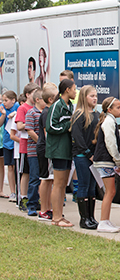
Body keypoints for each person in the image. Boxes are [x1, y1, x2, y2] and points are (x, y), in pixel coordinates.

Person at [46, 79, 76, 227]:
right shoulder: (56, 106)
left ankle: (60, 215)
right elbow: (51, 127)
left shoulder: (70, 106)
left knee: (64, 183)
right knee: (57, 184)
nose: (75, 92)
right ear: (66, 90)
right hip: (57, 150)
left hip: (67, 150)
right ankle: (56, 217)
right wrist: (68, 126)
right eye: (74, 89)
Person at [93, 96, 120, 233]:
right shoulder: (109, 122)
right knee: (110, 191)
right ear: (109, 109)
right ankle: (103, 222)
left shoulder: (109, 121)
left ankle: (106, 220)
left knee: (111, 191)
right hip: (105, 161)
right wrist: (118, 160)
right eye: (118, 107)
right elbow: (111, 143)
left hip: (105, 161)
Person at [71, 85, 99, 229]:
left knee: (92, 187)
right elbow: (77, 137)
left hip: (94, 157)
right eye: (91, 96)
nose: (95, 98)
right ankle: (84, 219)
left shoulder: (97, 114)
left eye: (95, 96)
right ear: (84, 97)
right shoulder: (79, 115)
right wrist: (88, 154)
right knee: (84, 185)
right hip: (83, 156)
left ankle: (91, 217)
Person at [15, 82, 40, 211]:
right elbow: (19, 126)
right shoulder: (23, 108)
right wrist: (31, 123)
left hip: (37, 147)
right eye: (34, 92)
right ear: (28, 94)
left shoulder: (38, 108)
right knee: (26, 172)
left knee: (36, 174)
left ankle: (36, 197)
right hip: (26, 144)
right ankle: (23, 197)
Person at [37, 83, 58, 221]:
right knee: (46, 179)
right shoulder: (46, 113)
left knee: (50, 180)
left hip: (47, 149)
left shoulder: (49, 112)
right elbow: (47, 134)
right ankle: (44, 209)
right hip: (46, 149)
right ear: (50, 99)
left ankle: (48, 208)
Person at [25, 88, 46, 216]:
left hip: (45, 152)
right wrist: (41, 142)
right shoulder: (31, 113)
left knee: (45, 178)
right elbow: (30, 130)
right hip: (34, 152)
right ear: (37, 100)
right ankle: (31, 205)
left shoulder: (46, 112)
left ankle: (43, 204)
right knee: (34, 178)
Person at [60, 69, 79, 202]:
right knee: (66, 166)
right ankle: (63, 191)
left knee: (75, 164)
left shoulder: (76, 95)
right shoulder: (60, 98)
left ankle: (76, 190)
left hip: (75, 135)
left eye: (63, 82)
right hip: (64, 138)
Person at [0, 90, 19, 201]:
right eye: (3, 100)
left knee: (17, 167)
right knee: (10, 167)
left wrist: (15, 114)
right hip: (7, 142)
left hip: (16, 141)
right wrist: (3, 115)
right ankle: (12, 192)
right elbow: (0, 124)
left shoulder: (17, 106)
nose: (4, 103)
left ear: (13, 100)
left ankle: (19, 190)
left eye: (6, 100)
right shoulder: (2, 108)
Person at [10, 94, 26, 205]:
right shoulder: (17, 115)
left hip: (28, 150)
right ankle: (19, 199)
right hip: (19, 151)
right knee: (20, 174)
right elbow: (12, 135)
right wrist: (22, 142)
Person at [35, 24, 50, 88]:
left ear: (45, 58)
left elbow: (50, 51)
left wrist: (47, 32)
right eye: (39, 55)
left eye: (42, 55)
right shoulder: (37, 79)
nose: (40, 57)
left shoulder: (47, 73)